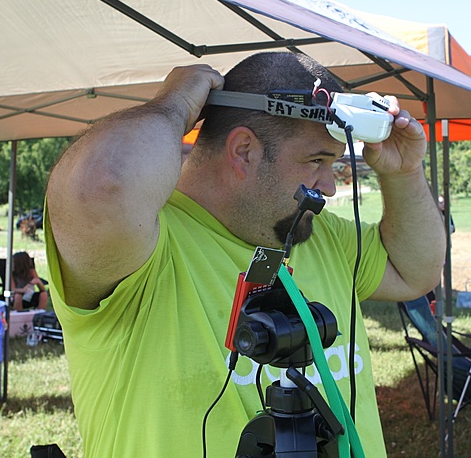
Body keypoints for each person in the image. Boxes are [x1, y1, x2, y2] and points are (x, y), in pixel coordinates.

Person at [45, 52, 445, 457]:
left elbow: (416, 272)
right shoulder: (145, 246)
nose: (330, 187)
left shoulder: (319, 234)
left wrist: (404, 173)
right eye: (317, 161)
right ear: (243, 151)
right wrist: (174, 105)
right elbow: (102, 185)